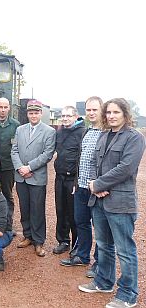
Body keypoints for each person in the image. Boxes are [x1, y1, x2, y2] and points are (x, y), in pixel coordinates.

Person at [78, 98, 145, 308]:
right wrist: (96, 187)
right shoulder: (104, 135)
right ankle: (104, 282)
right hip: (99, 200)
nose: (111, 116)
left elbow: (126, 168)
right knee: (104, 246)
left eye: (116, 112)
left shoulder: (134, 138)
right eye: (108, 112)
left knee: (125, 250)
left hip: (120, 203)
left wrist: (98, 184)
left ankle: (128, 294)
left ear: (125, 114)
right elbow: (96, 164)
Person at [60, 96, 103, 278]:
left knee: (100, 228)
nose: (91, 113)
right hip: (81, 188)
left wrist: (101, 185)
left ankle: (100, 264)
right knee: (82, 223)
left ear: (102, 110)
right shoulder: (87, 131)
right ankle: (83, 256)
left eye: (95, 109)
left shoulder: (107, 132)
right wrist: (77, 183)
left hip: (98, 190)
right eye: (89, 110)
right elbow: (81, 159)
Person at [11, 99, 56, 257]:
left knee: (37, 209)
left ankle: (39, 241)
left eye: (36, 112)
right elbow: (14, 150)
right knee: (24, 208)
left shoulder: (49, 131)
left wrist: (29, 167)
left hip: (36, 177)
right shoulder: (20, 130)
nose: (33, 115)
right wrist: (20, 168)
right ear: (27, 114)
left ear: (41, 113)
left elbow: (47, 154)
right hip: (21, 176)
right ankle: (27, 235)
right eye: (31, 113)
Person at [52, 106, 85, 254]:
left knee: (74, 213)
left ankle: (77, 245)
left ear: (75, 116)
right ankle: (63, 240)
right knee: (61, 210)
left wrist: (77, 181)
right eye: (63, 116)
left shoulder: (82, 133)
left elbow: (82, 159)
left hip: (73, 179)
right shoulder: (59, 132)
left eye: (68, 116)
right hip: (60, 177)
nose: (65, 118)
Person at [0, 97, 20, 229]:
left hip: (8, 166)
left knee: (7, 195)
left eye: (5, 107)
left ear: (9, 108)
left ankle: (7, 224)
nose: (3, 110)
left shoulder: (16, 125)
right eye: (0, 107)